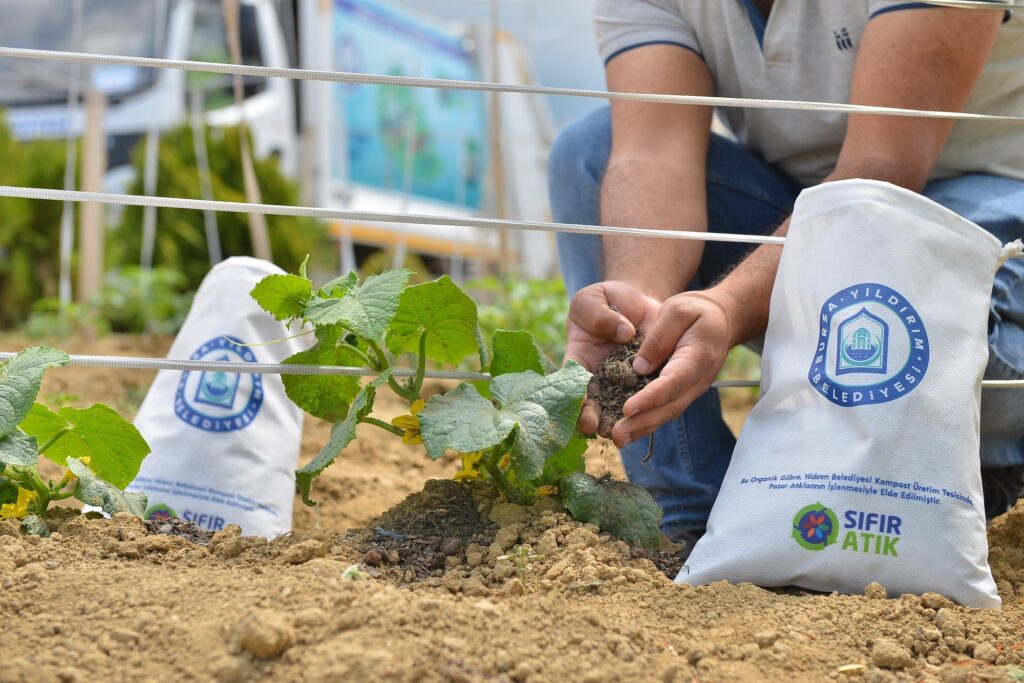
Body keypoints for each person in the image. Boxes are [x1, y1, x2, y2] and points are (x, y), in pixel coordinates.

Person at [549, 0, 1024, 551]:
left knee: (936, 343)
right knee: (590, 152)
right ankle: (686, 520)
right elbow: (654, 154)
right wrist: (641, 317)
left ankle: (975, 465)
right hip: (800, 208)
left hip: (984, 213)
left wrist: (728, 305)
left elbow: (883, 170)